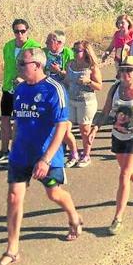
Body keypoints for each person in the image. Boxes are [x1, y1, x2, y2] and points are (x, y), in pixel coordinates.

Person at [0, 48, 82, 265]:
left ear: (38, 65)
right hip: (21, 155)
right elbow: (18, 121)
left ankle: (74, 217)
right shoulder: (20, 89)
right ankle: (12, 250)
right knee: (14, 198)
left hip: (46, 157)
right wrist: (12, 145)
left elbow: (62, 126)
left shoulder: (55, 90)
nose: (20, 66)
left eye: (24, 63)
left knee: (54, 193)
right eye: (19, 62)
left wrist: (46, 159)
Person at [88, 56, 133, 235]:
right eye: (123, 70)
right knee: (127, 168)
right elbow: (106, 110)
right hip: (118, 135)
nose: (125, 73)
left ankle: (117, 218)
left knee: (124, 173)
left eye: (129, 70)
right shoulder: (115, 88)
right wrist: (96, 127)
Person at [0, 19, 41, 164]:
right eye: (16, 31)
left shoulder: (34, 46)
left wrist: (25, 79)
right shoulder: (8, 46)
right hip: (9, 88)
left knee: (20, 121)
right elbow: (7, 66)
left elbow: (39, 69)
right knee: (4, 119)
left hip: (26, 88)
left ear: (27, 31)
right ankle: (4, 150)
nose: (19, 34)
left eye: (22, 31)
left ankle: (20, 150)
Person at [43, 31, 79, 167]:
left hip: (64, 94)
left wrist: (59, 71)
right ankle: (53, 152)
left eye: (48, 41)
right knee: (49, 126)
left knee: (63, 128)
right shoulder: (44, 52)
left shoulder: (68, 54)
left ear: (58, 43)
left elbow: (71, 77)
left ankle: (74, 153)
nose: (46, 43)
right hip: (48, 94)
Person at [65, 40, 102, 168]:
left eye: (78, 51)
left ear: (85, 52)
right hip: (71, 100)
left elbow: (99, 86)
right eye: (73, 50)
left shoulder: (91, 67)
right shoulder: (70, 64)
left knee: (84, 131)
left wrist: (88, 81)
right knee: (64, 129)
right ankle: (74, 153)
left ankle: (86, 155)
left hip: (86, 102)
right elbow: (67, 80)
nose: (75, 53)